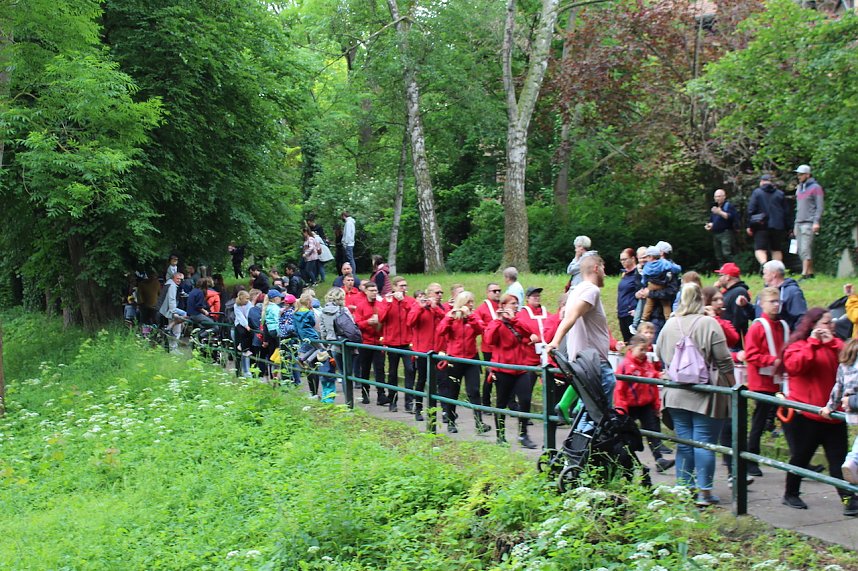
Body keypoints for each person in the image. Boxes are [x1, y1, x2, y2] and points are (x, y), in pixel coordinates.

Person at [656, 283, 735, 507]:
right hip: (706, 394)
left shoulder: (670, 324)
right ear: (701, 300)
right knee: (704, 443)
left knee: (685, 442)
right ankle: (705, 492)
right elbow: (724, 360)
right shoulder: (709, 323)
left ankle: (684, 488)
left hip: (676, 393)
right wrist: (733, 385)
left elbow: (660, 352)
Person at [783, 308, 857, 515]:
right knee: (800, 457)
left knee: (839, 460)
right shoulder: (798, 346)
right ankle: (791, 493)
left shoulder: (836, 345)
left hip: (832, 414)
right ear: (813, 325)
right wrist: (813, 344)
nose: (831, 325)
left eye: (831, 322)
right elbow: (796, 367)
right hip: (806, 415)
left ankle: (848, 499)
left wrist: (831, 343)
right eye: (826, 322)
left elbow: (848, 361)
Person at [546, 255, 615, 403]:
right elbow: (572, 316)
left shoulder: (575, 291)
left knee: (590, 411)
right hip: (594, 362)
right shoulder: (592, 290)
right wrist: (555, 341)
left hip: (584, 361)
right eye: (603, 268)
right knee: (602, 414)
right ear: (596, 268)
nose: (605, 273)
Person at [737, 287, 788, 477]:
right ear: (762, 304)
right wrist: (772, 360)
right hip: (762, 381)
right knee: (760, 420)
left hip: (779, 380)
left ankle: (800, 460)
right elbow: (751, 354)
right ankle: (751, 459)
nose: (776, 305)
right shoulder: (758, 326)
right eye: (772, 302)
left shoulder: (782, 325)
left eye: (778, 302)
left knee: (787, 420)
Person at [483, 294, 540, 448]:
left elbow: (530, 331)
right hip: (503, 370)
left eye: (517, 303)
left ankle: (523, 435)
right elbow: (489, 340)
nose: (516, 306)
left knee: (525, 400)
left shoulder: (518, 320)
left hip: (520, 369)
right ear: (503, 305)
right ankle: (500, 435)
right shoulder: (496, 323)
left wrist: (513, 319)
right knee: (501, 403)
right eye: (513, 303)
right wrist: (499, 320)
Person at [615, 335, 675, 473]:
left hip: (646, 405)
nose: (644, 353)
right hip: (630, 406)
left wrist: (656, 405)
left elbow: (653, 385)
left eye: (646, 350)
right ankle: (627, 461)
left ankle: (659, 459)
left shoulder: (647, 364)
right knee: (627, 435)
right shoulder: (625, 366)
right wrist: (621, 409)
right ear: (631, 349)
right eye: (641, 350)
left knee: (653, 432)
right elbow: (620, 389)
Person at [437, 291, 489, 435]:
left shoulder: (474, 316)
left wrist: (470, 316)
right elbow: (440, 331)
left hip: (471, 359)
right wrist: (449, 318)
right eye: (468, 302)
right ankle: (451, 421)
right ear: (462, 303)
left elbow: (481, 329)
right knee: (453, 391)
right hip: (455, 359)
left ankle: (479, 423)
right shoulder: (452, 316)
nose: (471, 305)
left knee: (474, 391)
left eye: (472, 302)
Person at [407, 283, 447, 422]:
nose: (440, 295)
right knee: (422, 379)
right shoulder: (418, 306)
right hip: (423, 351)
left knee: (440, 382)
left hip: (438, 350)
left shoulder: (441, 308)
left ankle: (442, 412)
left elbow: (446, 320)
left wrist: (436, 309)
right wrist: (420, 307)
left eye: (441, 292)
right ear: (429, 293)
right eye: (437, 293)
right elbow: (410, 322)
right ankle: (418, 408)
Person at [381, 276, 416, 412]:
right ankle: (392, 401)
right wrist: (389, 304)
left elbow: (413, 317)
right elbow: (382, 318)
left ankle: (409, 402)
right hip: (392, 342)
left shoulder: (410, 301)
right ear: (394, 287)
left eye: (405, 285)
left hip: (407, 342)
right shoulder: (387, 300)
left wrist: (404, 303)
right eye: (401, 286)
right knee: (392, 373)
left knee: (410, 370)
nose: (404, 288)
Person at [827, 338, 858, 483]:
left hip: (851, 412)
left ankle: (853, 459)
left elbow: (837, 388)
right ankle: (854, 459)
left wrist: (830, 407)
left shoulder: (844, 366)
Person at [353, 282, 389, 405]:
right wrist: (368, 322)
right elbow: (357, 323)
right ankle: (365, 394)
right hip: (365, 342)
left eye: (376, 290)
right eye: (372, 290)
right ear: (366, 291)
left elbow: (385, 321)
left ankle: (381, 395)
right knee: (365, 369)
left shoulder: (380, 305)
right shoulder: (361, 306)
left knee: (380, 369)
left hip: (378, 342)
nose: (374, 293)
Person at [746, 174, 789, 265]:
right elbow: (786, 212)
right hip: (777, 226)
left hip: (761, 226)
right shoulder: (780, 194)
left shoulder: (757, 193)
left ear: (761, 182)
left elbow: (751, 210)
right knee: (776, 249)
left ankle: (765, 266)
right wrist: (789, 228)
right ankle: (777, 270)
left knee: (760, 249)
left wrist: (749, 226)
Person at [793, 164, 824, 280]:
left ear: (807, 175)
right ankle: (810, 273)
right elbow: (798, 208)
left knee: (806, 248)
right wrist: (795, 224)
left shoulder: (816, 188)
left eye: (801, 174)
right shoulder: (799, 188)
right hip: (799, 222)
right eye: (798, 174)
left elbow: (819, 207)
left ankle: (804, 274)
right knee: (801, 249)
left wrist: (816, 221)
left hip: (809, 222)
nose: (798, 176)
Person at [474, 283, 502, 408]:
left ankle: (506, 403)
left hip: (502, 347)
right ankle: (485, 402)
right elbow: (478, 325)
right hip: (488, 348)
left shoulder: (502, 305)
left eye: (499, 290)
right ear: (488, 292)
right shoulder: (482, 308)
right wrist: (488, 331)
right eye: (494, 291)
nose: (497, 293)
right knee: (490, 375)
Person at [757, 260, 807, 331]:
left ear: (774, 274)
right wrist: (746, 306)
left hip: (784, 337)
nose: (763, 277)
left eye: (765, 274)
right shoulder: (765, 291)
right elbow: (757, 313)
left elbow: (801, 318)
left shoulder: (793, 292)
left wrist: (794, 338)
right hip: (763, 334)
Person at [716, 262, 755, 349]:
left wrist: (732, 338)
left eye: (720, 275)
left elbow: (739, 320)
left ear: (728, 277)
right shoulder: (728, 291)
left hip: (734, 344)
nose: (719, 279)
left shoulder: (739, 292)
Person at [704, 188, 739, 266]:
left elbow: (731, 217)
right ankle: (722, 273)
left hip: (726, 233)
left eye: (719, 196)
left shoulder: (728, 206)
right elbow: (712, 221)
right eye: (716, 197)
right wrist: (709, 225)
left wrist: (720, 212)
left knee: (727, 253)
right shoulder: (714, 208)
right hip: (716, 233)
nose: (717, 198)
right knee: (718, 255)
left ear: (724, 197)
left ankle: (733, 271)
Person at [158, 271, 186, 352]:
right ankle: (173, 348)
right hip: (169, 310)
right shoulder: (172, 286)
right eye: (177, 278)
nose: (179, 281)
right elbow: (171, 300)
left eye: (180, 279)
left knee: (177, 327)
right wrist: (174, 312)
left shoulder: (168, 283)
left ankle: (172, 346)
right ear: (173, 278)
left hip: (164, 309)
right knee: (177, 329)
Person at [617, 248, 641, 343]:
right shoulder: (625, 274)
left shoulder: (637, 274)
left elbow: (641, 293)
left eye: (625, 259)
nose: (623, 262)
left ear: (633, 258)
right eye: (621, 260)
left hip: (631, 314)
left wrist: (637, 310)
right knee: (628, 343)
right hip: (622, 313)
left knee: (635, 343)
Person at [233, 290, 253, 377]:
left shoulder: (249, 304)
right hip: (239, 323)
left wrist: (248, 324)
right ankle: (242, 347)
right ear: (241, 298)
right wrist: (246, 325)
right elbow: (240, 316)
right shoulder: (236, 305)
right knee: (243, 332)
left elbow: (249, 313)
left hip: (248, 322)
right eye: (246, 298)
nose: (247, 300)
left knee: (249, 334)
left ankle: (245, 348)